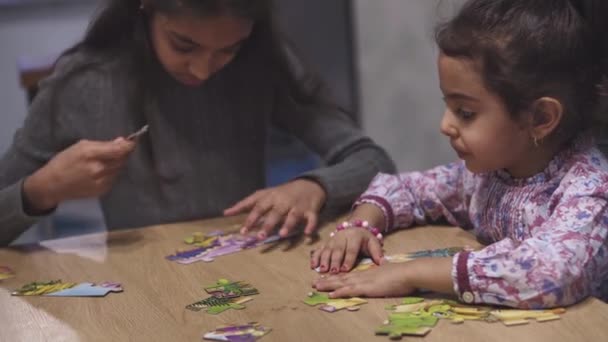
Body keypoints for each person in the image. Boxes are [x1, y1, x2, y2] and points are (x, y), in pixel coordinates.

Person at [0, 0, 396, 246]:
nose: (203, 69)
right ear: (146, 6)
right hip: (145, 290)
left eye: (229, 49)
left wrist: (315, 186)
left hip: (245, 275)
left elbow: (374, 160)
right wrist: (41, 190)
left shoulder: (263, 63)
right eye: (183, 45)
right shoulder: (85, 81)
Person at [311, 0, 608, 309]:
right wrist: (361, 224)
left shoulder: (590, 190)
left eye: (465, 112)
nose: (445, 125)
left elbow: (548, 274)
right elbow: (408, 189)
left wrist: (413, 273)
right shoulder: (489, 174)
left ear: (541, 118)